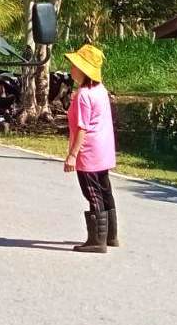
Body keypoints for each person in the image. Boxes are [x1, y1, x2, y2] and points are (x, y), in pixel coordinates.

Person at [63, 43, 118, 253]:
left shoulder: (84, 95)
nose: (71, 69)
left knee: (92, 193)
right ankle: (111, 235)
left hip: (89, 152)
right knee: (105, 191)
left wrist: (72, 155)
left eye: (75, 66)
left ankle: (97, 241)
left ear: (84, 70)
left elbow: (82, 128)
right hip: (104, 150)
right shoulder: (101, 90)